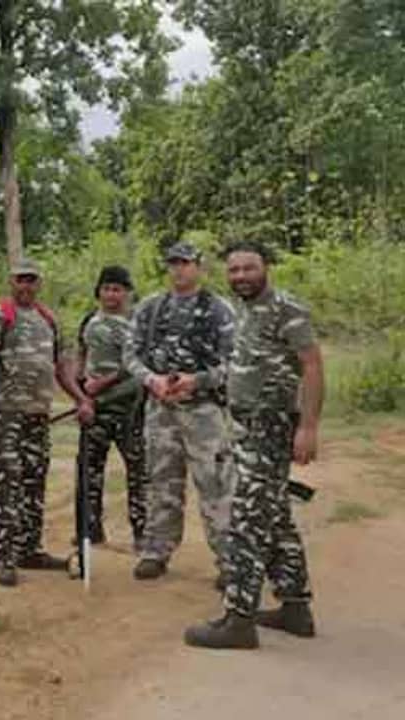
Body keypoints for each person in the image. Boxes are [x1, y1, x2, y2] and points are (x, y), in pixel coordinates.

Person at [184, 240, 324, 649]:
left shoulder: (287, 308)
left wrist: (309, 427)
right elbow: (243, 364)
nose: (241, 276)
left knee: (245, 519)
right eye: (234, 270)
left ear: (265, 268)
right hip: (245, 426)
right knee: (275, 515)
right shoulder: (241, 310)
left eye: (248, 268)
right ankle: (296, 607)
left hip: (271, 426)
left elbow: (312, 364)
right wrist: (198, 381)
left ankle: (238, 620)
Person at [0, 258, 95, 587]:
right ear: (11, 282)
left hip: (39, 416)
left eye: (31, 280)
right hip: (5, 415)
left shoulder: (48, 319)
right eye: (20, 280)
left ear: (39, 283)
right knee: (7, 484)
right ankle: (5, 557)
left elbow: (62, 368)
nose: (25, 286)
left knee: (34, 482)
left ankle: (29, 549)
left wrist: (81, 399)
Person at [123, 241, 236, 587]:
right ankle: (156, 551)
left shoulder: (219, 309)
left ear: (199, 267)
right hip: (161, 410)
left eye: (186, 263)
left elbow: (234, 361)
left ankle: (230, 560)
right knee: (161, 483)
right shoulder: (150, 308)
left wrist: (198, 380)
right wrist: (151, 380)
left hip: (203, 411)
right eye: (173, 263)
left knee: (215, 484)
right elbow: (131, 354)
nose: (179, 269)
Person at [76, 265, 148, 549]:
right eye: (106, 288)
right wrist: (81, 391)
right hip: (95, 410)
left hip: (130, 408)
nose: (111, 295)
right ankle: (90, 529)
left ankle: (142, 533)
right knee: (89, 471)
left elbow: (136, 367)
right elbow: (81, 354)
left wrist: (102, 385)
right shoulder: (90, 322)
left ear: (128, 293)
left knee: (139, 473)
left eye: (117, 289)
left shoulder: (136, 326)